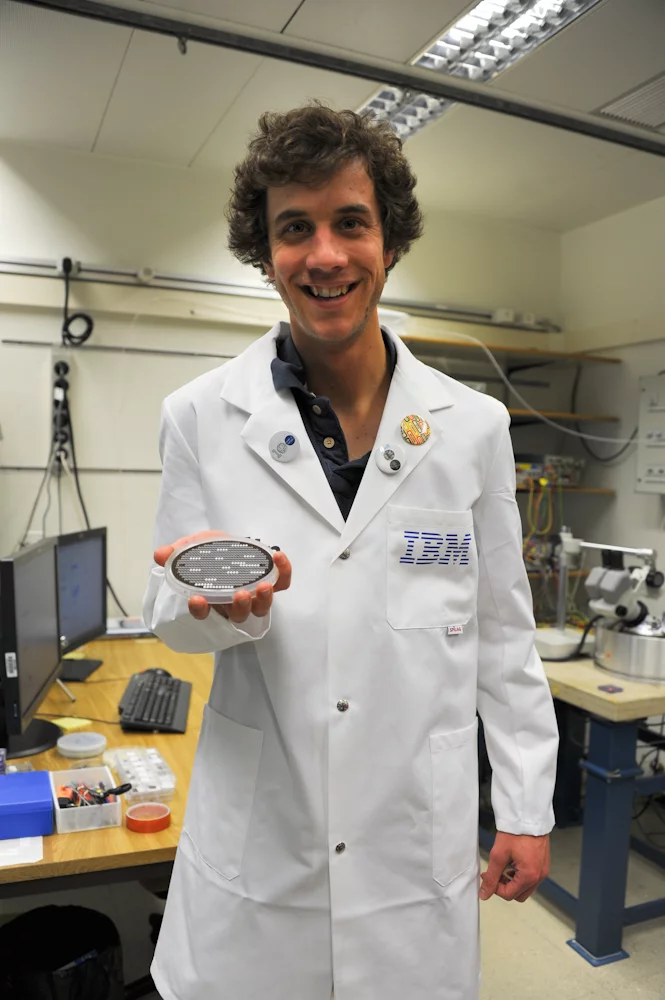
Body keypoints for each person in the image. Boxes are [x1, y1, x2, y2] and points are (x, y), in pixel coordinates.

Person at [143, 103, 559, 1000]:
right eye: (294, 228)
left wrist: (525, 807)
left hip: (414, 839)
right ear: (265, 252)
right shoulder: (200, 415)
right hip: (264, 846)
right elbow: (169, 620)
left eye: (350, 223)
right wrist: (220, 610)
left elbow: (503, 636)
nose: (324, 254)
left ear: (390, 241)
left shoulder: (473, 427)